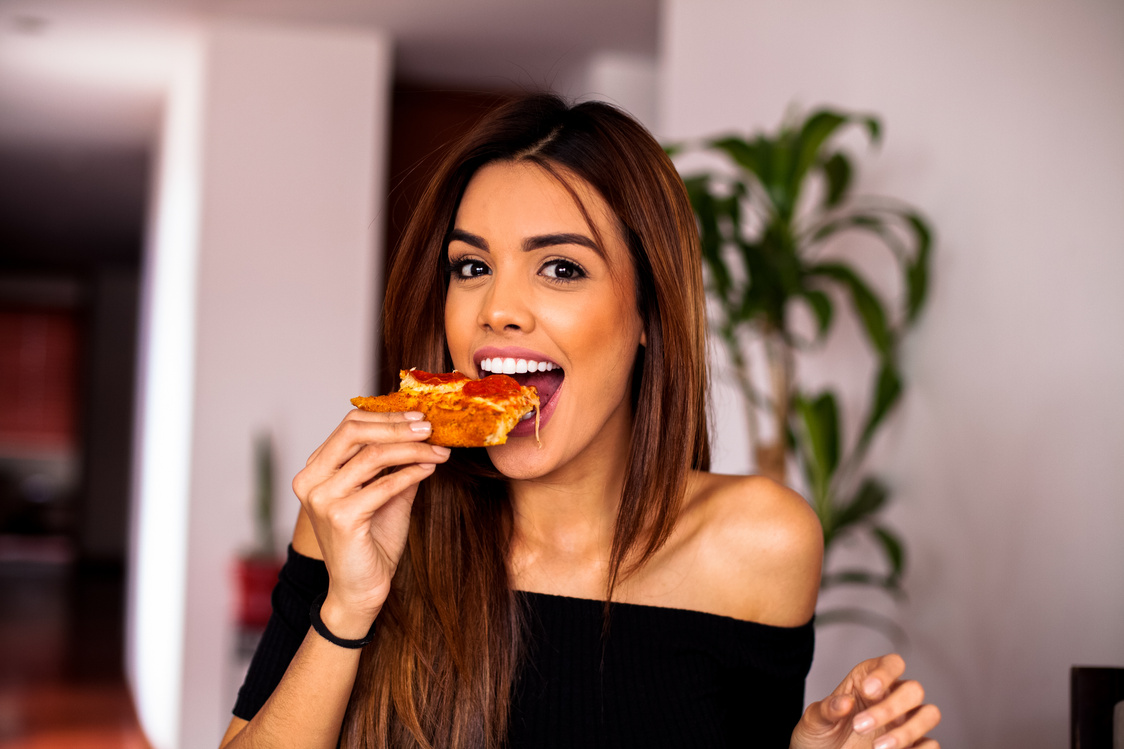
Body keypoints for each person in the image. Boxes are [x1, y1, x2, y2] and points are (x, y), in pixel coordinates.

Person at [219, 94, 941, 749]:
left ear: (648, 316)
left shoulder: (758, 545)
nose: (496, 309)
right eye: (471, 267)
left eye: (560, 268)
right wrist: (347, 607)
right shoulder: (362, 518)